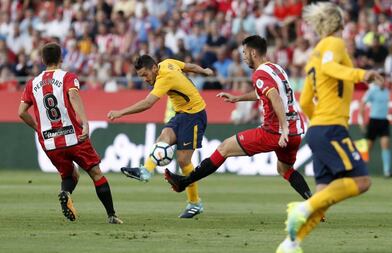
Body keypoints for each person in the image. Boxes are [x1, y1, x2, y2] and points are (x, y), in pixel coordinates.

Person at [276, 3, 384, 253]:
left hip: (318, 129)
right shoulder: (334, 45)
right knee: (362, 180)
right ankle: (302, 208)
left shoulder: (315, 53)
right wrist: (361, 75)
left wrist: (318, 123)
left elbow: (304, 101)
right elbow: (330, 68)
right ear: (340, 22)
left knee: (325, 194)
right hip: (331, 126)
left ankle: (291, 243)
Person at [164, 35, 313, 205]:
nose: (243, 56)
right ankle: (314, 203)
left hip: (275, 132)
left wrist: (284, 129)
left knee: (224, 148)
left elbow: (275, 97)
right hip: (295, 132)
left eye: (244, 52)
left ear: (253, 53)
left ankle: (184, 182)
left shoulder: (259, 74)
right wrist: (237, 98)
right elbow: (263, 93)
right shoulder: (276, 69)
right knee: (284, 169)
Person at [18, 42, 123, 224]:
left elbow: (21, 112)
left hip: (50, 142)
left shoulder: (32, 84)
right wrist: (85, 122)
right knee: (96, 174)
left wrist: (39, 129)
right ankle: (111, 215)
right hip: (73, 136)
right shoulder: (67, 77)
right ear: (61, 58)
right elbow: (73, 96)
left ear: (42, 60)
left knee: (70, 175)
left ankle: (65, 192)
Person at [107, 55, 213, 218]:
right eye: (141, 76)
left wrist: (120, 112)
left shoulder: (165, 78)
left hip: (194, 115)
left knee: (184, 161)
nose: (144, 79)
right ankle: (145, 172)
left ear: (155, 68)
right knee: (163, 139)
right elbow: (188, 66)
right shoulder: (168, 63)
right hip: (181, 114)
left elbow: (147, 103)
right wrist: (204, 71)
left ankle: (195, 203)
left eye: (145, 74)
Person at [359, 73, 392, 178]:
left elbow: (387, 107)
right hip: (373, 121)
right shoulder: (372, 91)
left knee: (386, 145)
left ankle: (387, 171)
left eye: (383, 78)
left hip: (384, 121)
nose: (382, 81)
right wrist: (362, 121)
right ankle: (361, 171)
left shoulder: (387, 92)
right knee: (368, 148)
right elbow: (362, 104)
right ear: (376, 81)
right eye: (379, 79)